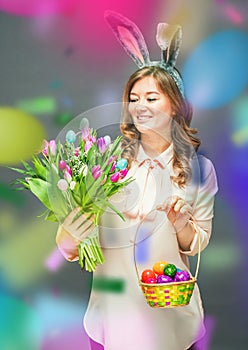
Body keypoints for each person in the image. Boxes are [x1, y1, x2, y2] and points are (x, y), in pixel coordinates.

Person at [56, 11, 218, 350]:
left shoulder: (199, 170)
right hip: (111, 317)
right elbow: (69, 245)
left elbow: (197, 244)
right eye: (133, 98)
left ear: (175, 106)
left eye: (151, 97)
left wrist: (181, 223)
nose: (139, 106)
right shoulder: (104, 163)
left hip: (170, 318)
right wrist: (69, 236)